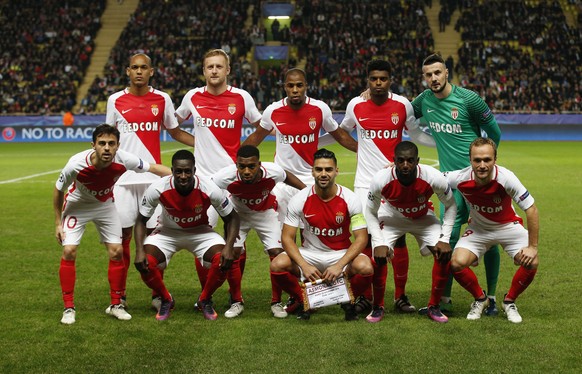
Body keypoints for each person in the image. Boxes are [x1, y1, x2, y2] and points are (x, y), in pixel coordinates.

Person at [323, 59, 437, 318]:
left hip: (394, 182)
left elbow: (416, 134)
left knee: (398, 238)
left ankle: (399, 296)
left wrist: (439, 142)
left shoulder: (402, 105)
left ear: (390, 80)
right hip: (364, 184)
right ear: (367, 80)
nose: (378, 84)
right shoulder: (356, 104)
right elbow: (343, 131)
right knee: (366, 239)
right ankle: (364, 296)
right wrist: (360, 148)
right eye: (373, 79)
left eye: (382, 79)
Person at [411, 53, 502, 315]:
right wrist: (369, 95)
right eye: (428, 75)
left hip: (477, 181)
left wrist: (490, 164)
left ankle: (492, 296)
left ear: (447, 72)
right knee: (447, 239)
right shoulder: (425, 100)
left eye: (437, 73)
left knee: (489, 238)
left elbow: (494, 131)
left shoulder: (468, 99)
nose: (433, 79)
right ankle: (444, 298)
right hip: (449, 184)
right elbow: (399, 111)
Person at [53, 124, 171, 325]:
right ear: (93, 145)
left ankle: (116, 304)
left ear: (117, 146)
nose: (107, 148)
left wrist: (177, 176)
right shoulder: (75, 164)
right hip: (77, 206)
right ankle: (68, 308)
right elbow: (58, 190)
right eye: (102, 143)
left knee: (116, 251)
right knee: (69, 251)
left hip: (105, 206)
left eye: (111, 144)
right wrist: (57, 222)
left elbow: (152, 167)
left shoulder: (125, 159)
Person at [106, 53, 194, 309]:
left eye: (144, 68)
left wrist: (205, 143)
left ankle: (158, 295)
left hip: (153, 181)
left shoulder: (162, 99)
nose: (139, 72)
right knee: (121, 240)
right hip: (122, 181)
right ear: (127, 71)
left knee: (155, 241)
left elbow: (175, 131)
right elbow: (108, 138)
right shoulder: (115, 100)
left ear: (152, 71)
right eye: (134, 67)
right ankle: (118, 297)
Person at [175, 49, 261, 302]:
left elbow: (262, 126)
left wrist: (245, 152)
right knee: (203, 240)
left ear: (227, 70)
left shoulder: (242, 97)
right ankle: (207, 296)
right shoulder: (192, 97)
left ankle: (237, 297)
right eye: (209, 66)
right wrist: (199, 144)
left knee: (237, 242)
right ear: (204, 71)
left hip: (235, 178)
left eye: (219, 67)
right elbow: (174, 127)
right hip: (202, 180)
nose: (214, 71)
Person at [134, 150, 240, 321]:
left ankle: (204, 299)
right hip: (168, 233)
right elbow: (141, 220)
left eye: (187, 171)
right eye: (178, 171)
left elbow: (232, 218)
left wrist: (229, 247)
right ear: (172, 170)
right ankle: (166, 299)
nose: (183, 176)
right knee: (145, 262)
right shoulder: (157, 188)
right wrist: (139, 250)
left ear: (194, 171)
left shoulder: (209, 188)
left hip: (200, 231)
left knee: (223, 260)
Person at [242, 68, 357, 226]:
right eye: (290, 85)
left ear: (306, 86)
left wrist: (361, 150)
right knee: (281, 233)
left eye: (299, 85)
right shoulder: (273, 110)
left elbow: (340, 135)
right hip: (282, 181)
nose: (295, 90)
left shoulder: (320, 109)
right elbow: (256, 137)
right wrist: (237, 160)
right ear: (284, 87)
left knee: (310, 231)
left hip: (310, 179)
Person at [270, 149, 373, 321]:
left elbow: (361, 238)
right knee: (277, 264)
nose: (323, 174)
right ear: (312, 171)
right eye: (319, 169)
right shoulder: (300, 199)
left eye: (328, 169)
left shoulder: (350, 198)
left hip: (340, 253)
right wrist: (304, 265)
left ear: (336, 171)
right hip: (310, 254)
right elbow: (287, 237)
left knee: (366, 267)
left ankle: (347, 300)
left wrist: (339, 265)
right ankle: (305, 300)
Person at [446, 138, 539, 323]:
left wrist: (533, 246)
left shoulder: (506, 178)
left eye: (487, 159)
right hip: (479, 229)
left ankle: (509, 301)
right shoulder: (460, 177)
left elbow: (531, 209)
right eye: (477, 160)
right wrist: (399, 167)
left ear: (495, 159)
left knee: (532, 261)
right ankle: (480, 299)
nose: (482, 165)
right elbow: (430, 176)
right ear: (470, 160)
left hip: (508, 227)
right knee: (456, 263)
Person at [364, 141, 457, 323]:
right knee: (379, 257)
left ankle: (434, 306)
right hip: (391, 217)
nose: (405, 165)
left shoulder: (433, 177)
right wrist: (379, 242)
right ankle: (378, 306)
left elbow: (451, 205)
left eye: (410, 160)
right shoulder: (381, 179)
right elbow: (370, 211)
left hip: (423, 218)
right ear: (394, 161)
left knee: (443, 254)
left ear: (417, 161)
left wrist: (445, 238)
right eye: (401, 161)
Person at [212, 145, 306, 318]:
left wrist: (308, 191)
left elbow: (287, 177)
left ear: (259, 164)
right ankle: (236, 301)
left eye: (251, 166)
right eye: (242, 166)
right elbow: (207, 190)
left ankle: (276, 302)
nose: (246, 171)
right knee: (232, 253)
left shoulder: (273, 171)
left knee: (278, 255)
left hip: (266, 212)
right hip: (238, 214)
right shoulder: (223, 177)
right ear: (236, 165)